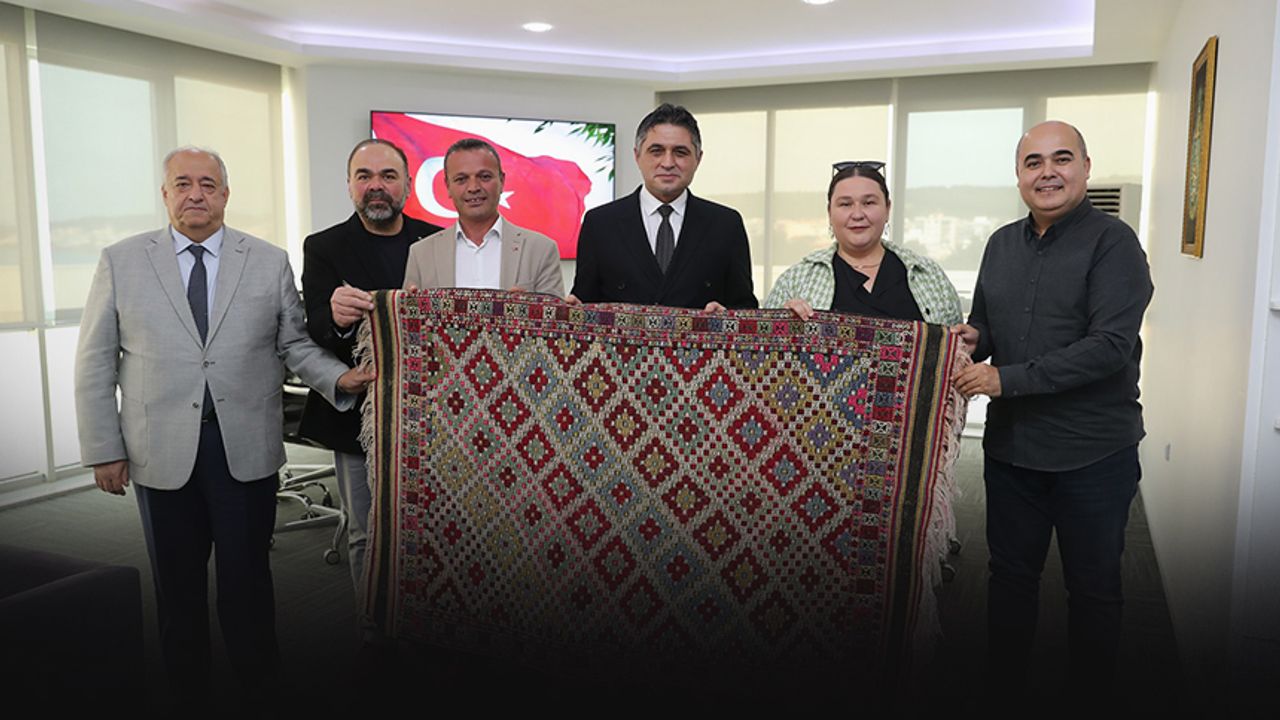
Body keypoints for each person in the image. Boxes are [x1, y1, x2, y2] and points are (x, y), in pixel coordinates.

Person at [74, 147, 373, 710]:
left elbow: (293, 345)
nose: (196, 194)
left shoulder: (267, 260)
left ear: (226, 194)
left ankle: (260, 686)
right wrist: (103, 448)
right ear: (165, 194)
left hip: (244, 449)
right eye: (183, 183)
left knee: (248, 582)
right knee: (176, 587)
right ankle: (187, 691)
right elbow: (95, 360)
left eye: (208, 184)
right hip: (159, 452)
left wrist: (340, 378)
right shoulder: (121, 260)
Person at [951, 121, 1154, 702]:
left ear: (1086, 168)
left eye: (1061, 159)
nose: (1047, 173)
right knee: (1010, 580)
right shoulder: (999, 244)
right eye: (1033, 162)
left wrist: (1004, 378)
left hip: (1093, 455)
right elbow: (989, 326)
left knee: (1093, 591)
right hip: (1013, 451)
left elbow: (1109, 346)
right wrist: (974, 340)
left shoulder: (1115, 243)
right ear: (1019, 176)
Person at [298, 139, 442, 603]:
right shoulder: (324, 246)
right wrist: (337, 318)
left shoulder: (438, 240)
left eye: (387, 176)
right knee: (366, 532)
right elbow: (314, 325)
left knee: (435, 531)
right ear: (349, 185)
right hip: (359, 414)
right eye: (364, 176)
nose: (375, 186)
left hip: (435, 415)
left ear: (407, 185)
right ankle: (371, 628)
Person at [569, 103, 757, 310]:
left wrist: (726, 317)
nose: (668, 163)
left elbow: (746, 308)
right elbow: (583, 304)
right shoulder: (600, 224)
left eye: (680, 152)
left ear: (698, 158)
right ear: (637, 156)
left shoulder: (726, 225)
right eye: (656, 151)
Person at [764, 161, 961, 326]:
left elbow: (957, 351)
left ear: (887, 209)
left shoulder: (929, 276)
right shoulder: (796, 281)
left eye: (868, 203)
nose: (857, 214)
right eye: (845, 204)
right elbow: (761, 352)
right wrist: (780, 323)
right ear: (829, 212)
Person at [401, 138, 564, 294]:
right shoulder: (421, 254)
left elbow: (555, 313)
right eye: (461, 179)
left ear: (502, 181)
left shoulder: (540, 250)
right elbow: (409, 312)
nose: (473, 187)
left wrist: (527, 308)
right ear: (448, 186)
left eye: (484, 177)